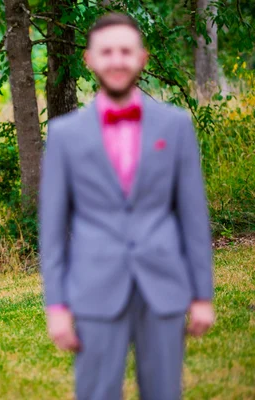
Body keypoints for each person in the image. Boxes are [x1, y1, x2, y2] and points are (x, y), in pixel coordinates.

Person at [39, 13, 215, 399]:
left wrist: (202, 294)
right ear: (89, 60)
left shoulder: (176, 126)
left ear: (142, 58)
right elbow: (52, 230)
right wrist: (56, 305)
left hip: (164, 286)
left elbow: (192, 215)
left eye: (125, 51)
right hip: (94, 287)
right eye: (107, 52)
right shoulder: (64, 135)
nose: (116, 60)